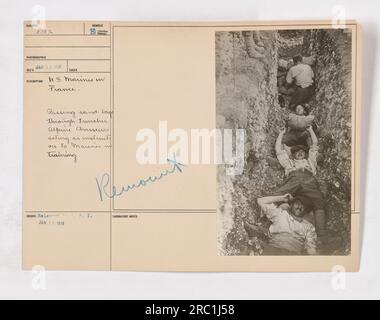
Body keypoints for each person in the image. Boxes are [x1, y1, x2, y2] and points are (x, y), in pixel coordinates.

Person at [274, 126, 327, 245]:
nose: (300, 153)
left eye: (302, 152)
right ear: (293, 155)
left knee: (319, 200)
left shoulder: (310, 161)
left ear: (305, 154)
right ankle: (266, 225)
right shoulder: (289, 163)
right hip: (293, 179)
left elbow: (315, 145)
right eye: (297, 152)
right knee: (277, 195)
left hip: (309, 180)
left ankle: (322, 236)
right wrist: (281, 133)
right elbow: (278, 150)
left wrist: (310, 129)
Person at [245, 193, 317, 255]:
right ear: (291, 204)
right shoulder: (280, 214)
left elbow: (311, 248)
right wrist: (282, 198)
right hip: (273, 249)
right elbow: (260, 201)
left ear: (306, 210)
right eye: (297, 204)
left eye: (303, 206)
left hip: (293, 255)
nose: (299, 207)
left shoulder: (309, 226)